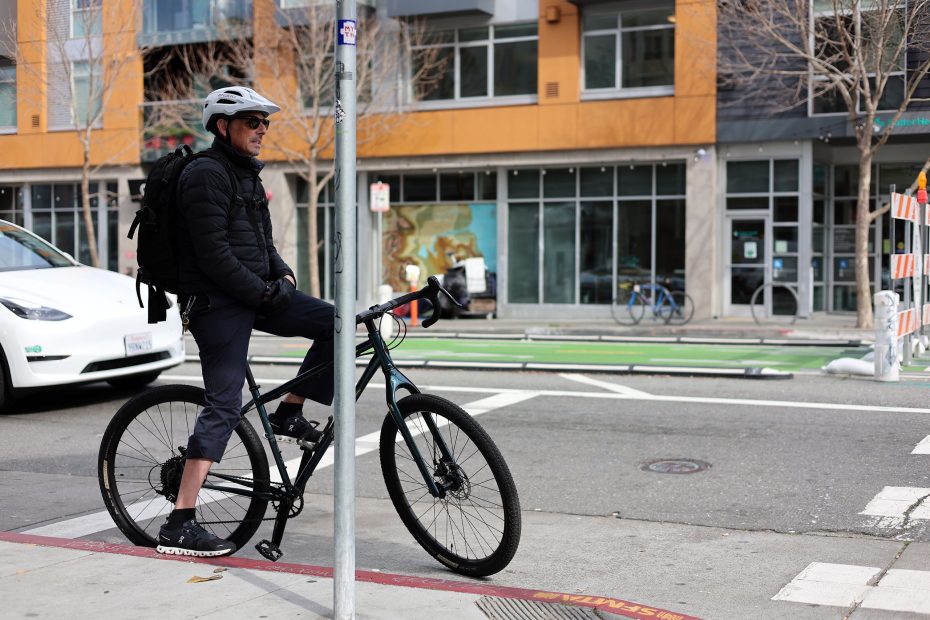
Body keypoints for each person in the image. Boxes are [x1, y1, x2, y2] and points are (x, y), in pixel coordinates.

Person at [156, 86, 335, 557]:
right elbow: (215, 256)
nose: (261, 129)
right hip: (215, 303)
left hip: (254, 293)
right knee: (225, 403)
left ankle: (289, 412)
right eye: (252, 121)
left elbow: (262, 244)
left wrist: (283, 276)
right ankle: (179, 521)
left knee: (335, 322)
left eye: (265, 123)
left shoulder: (249, 178)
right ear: (222, 126)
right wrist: (264, 291)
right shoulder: (205, 175)